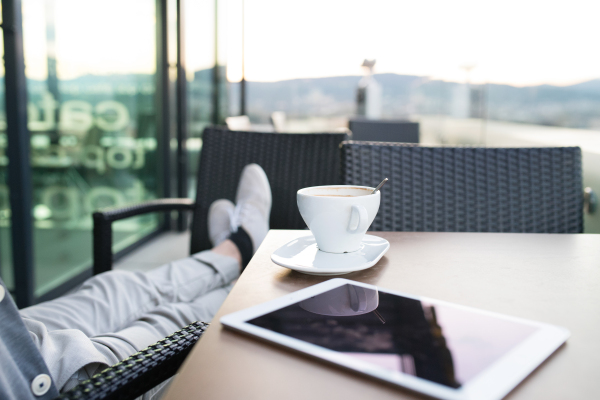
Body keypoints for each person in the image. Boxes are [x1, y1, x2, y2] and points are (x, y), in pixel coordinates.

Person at [0, 164, 272, 400]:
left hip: (13, 328)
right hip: (37, 382)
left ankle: (235, 253)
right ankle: (242, 265)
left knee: (114, 287)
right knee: (178, 318)